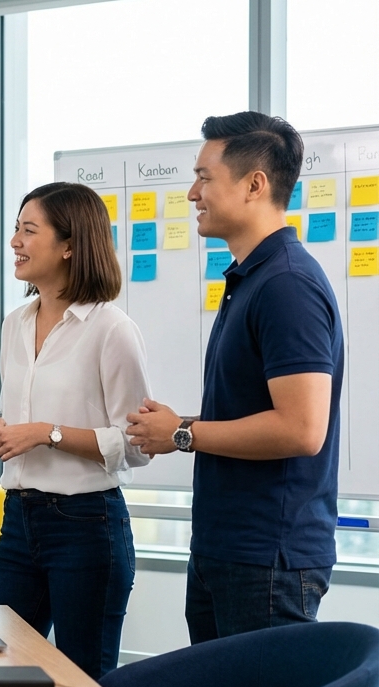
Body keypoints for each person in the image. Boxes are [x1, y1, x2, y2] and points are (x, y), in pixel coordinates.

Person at [127, 112, 343, 644]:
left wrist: (183, 434)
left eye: (204, 177)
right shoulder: (253, 277)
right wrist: (179, 427)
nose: (191, 193)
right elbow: (258, 410)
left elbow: (301, 429)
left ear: (254, 184)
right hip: (227, 548)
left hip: (267, 556)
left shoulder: (286, 285)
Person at [0, 182, 151, 679]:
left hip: (86, 526)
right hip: (18, 521)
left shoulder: (111, 329)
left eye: (29, 231)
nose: (15, 242)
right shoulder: (15, 323)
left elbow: (137, 445)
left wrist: (45, 433)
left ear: (70, 245)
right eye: (15, 229)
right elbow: (25, 420)